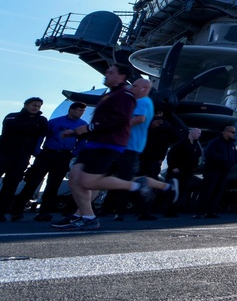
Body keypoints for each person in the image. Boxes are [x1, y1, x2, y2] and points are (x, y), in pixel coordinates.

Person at [53, 65, 178, 230]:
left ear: (144, 88)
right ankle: (83, 214)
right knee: (79, 178)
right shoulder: (115, 95)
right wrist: (80, 132)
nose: (106, 74)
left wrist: (91, 128)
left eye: (111, 72)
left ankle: (152, 186)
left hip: (122, 146)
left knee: (94, 180)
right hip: (103, 142)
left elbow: (127, 120)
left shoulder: (133, 98)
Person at [9, 101, 86, 221]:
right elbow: (42, 136)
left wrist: (74, 153)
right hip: (47, 154)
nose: (81, 113)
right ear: (71, 110)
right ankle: (17, 211)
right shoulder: (54, 122)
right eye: (79, 110)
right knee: (33, 182)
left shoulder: (82, 125)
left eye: (83, 111)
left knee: (54, 185)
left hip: (64, 156)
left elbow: (81, 141)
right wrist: (37, 150)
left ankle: (44, 212)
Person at [106, 78, 155, 221]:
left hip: (130, 147)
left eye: (134, 86)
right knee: (113, 178)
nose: (131, 88)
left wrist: (115, 125)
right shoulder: (137, 102)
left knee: (125, 180)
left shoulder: (143, 101)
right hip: (122, 146)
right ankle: (109, 209)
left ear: (144, 88)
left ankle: (123, 211)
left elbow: (140, 118)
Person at [0, 97, 49, 221]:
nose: (36, 108)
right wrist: (31, 128)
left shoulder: (42, 120)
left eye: (38, 106)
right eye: (34, 105)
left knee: (10, 185)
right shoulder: (12, 116)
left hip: (22, 157)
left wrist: (30, 128)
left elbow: (43, 131)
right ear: (26, 105)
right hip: (4, 153)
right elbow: (10, 128)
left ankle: (1, 212)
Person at [195, 124, 237, 218]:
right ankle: (199, 211)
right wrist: (223, 160)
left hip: (224, 171)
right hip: (213, 170)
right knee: (208, 190)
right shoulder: (215, 142)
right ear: (225, 132)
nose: (233, 134)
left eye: (234, 132)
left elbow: (234, 156)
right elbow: (209, 153)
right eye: (232, 132)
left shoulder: (232, 144)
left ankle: (211, 211)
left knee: (218, 192)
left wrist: (231, 162)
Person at [164, 127, 202, 217]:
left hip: (188, 172)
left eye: (200, 133)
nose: (199, 135)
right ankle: (168, 210)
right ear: (192, 133)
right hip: (178, 171)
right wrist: (173, 166)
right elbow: (171, 155)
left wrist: (196, 168)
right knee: (173, 191)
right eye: (198, 133)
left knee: (181, 190)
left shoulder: (196, 146)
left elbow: (199, 157)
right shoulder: (180, 144)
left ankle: (175, 210)